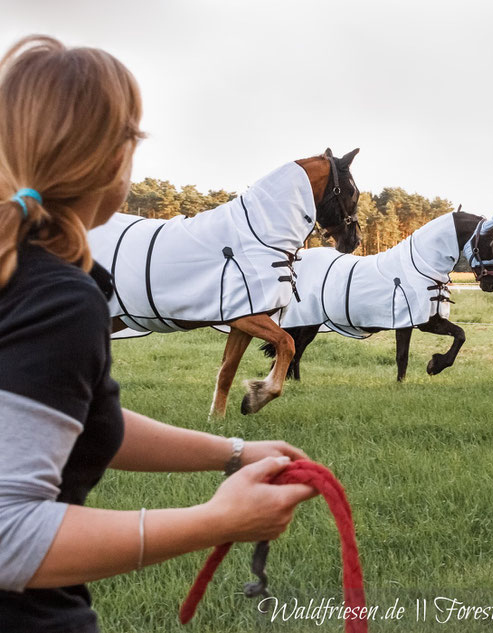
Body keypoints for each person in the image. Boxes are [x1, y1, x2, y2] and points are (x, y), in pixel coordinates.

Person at [0, 35, 314, 633]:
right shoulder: (58, 299)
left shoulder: (16, 271)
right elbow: (8, 537)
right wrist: (215, 521)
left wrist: (233, 453)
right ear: (114, 162)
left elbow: (75, 418)